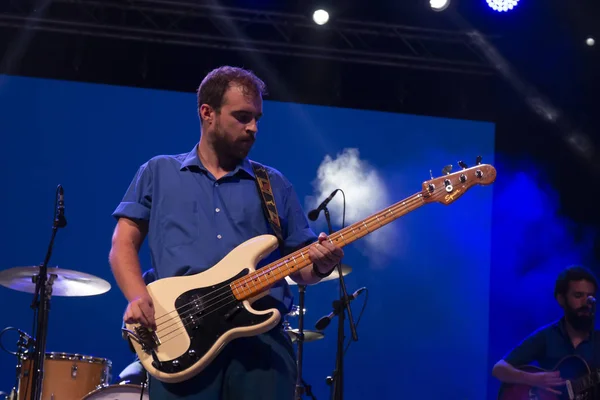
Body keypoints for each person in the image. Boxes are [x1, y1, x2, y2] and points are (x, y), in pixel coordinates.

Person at [108, 65, 344, 400]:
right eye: (242, 116)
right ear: (208, 113)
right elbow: (122, 244)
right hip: (181, 338)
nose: (254, 128)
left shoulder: (273, 184)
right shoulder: (158, 171)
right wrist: (136, 297)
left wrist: (321, 264)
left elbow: (302, 268)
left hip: (260, 347)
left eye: (257, 118)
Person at [492, 265, 600, 395]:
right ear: (561, 299)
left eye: (590, 297)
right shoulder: (547, 336)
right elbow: (499, 369)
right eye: (578, 296)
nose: (586, 303)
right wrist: (534, 379)